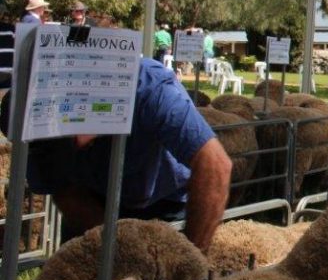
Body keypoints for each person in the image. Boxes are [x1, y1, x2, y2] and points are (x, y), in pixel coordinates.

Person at [0, 57, 232, 252]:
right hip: (94, 200)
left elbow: (214, 163)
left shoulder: (149, 88)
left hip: (166, 202)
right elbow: (64, 190)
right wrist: (117, 252)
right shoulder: (35, 125)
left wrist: (192, 256)